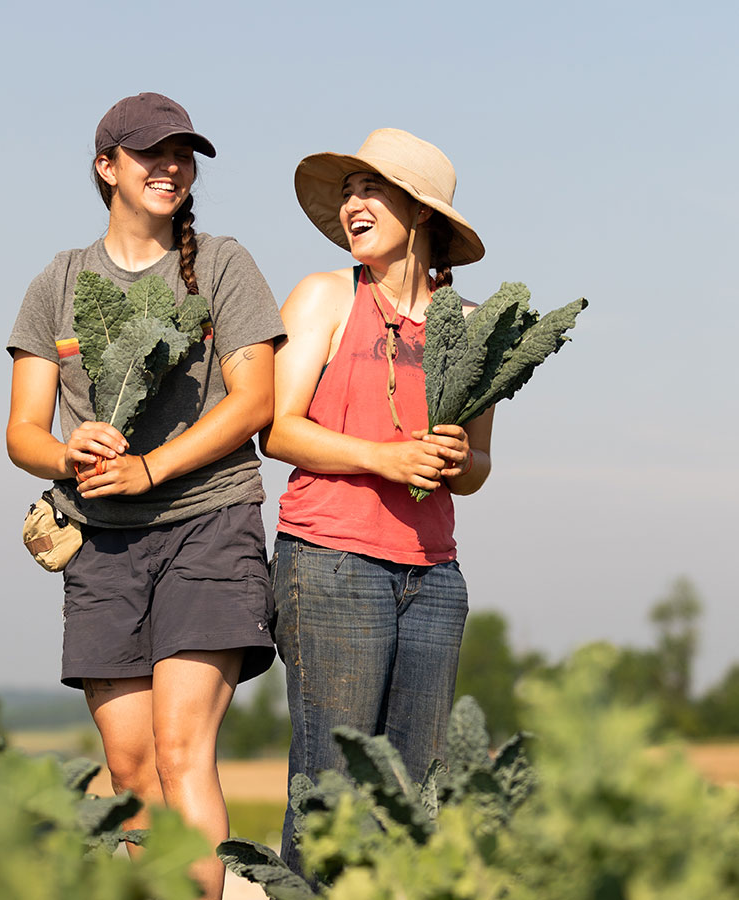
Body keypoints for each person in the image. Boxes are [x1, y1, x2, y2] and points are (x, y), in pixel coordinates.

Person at [6, 92, 284, 900]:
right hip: (101, 543)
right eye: (151, 154)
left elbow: (253, 401)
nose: (171, 168)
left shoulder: (225, 264)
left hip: (208, 524)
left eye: (182, 155)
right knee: (129, 770)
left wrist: (153, 468)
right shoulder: (57, 282)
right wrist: (70, 449)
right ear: (107, 168)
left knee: (178, 748)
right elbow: (23, 430)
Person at [261, 129, 495, 872]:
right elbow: (279, 428)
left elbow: (482, 465)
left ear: (421, 212)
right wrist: (385, 459)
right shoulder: (325, 296)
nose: (352, 203)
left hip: (434, 578)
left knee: (415, 798)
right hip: (331, 564)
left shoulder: (473, 326)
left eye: (372, 189)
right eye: (349, 190)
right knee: (332, 794)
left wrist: (459, 461)